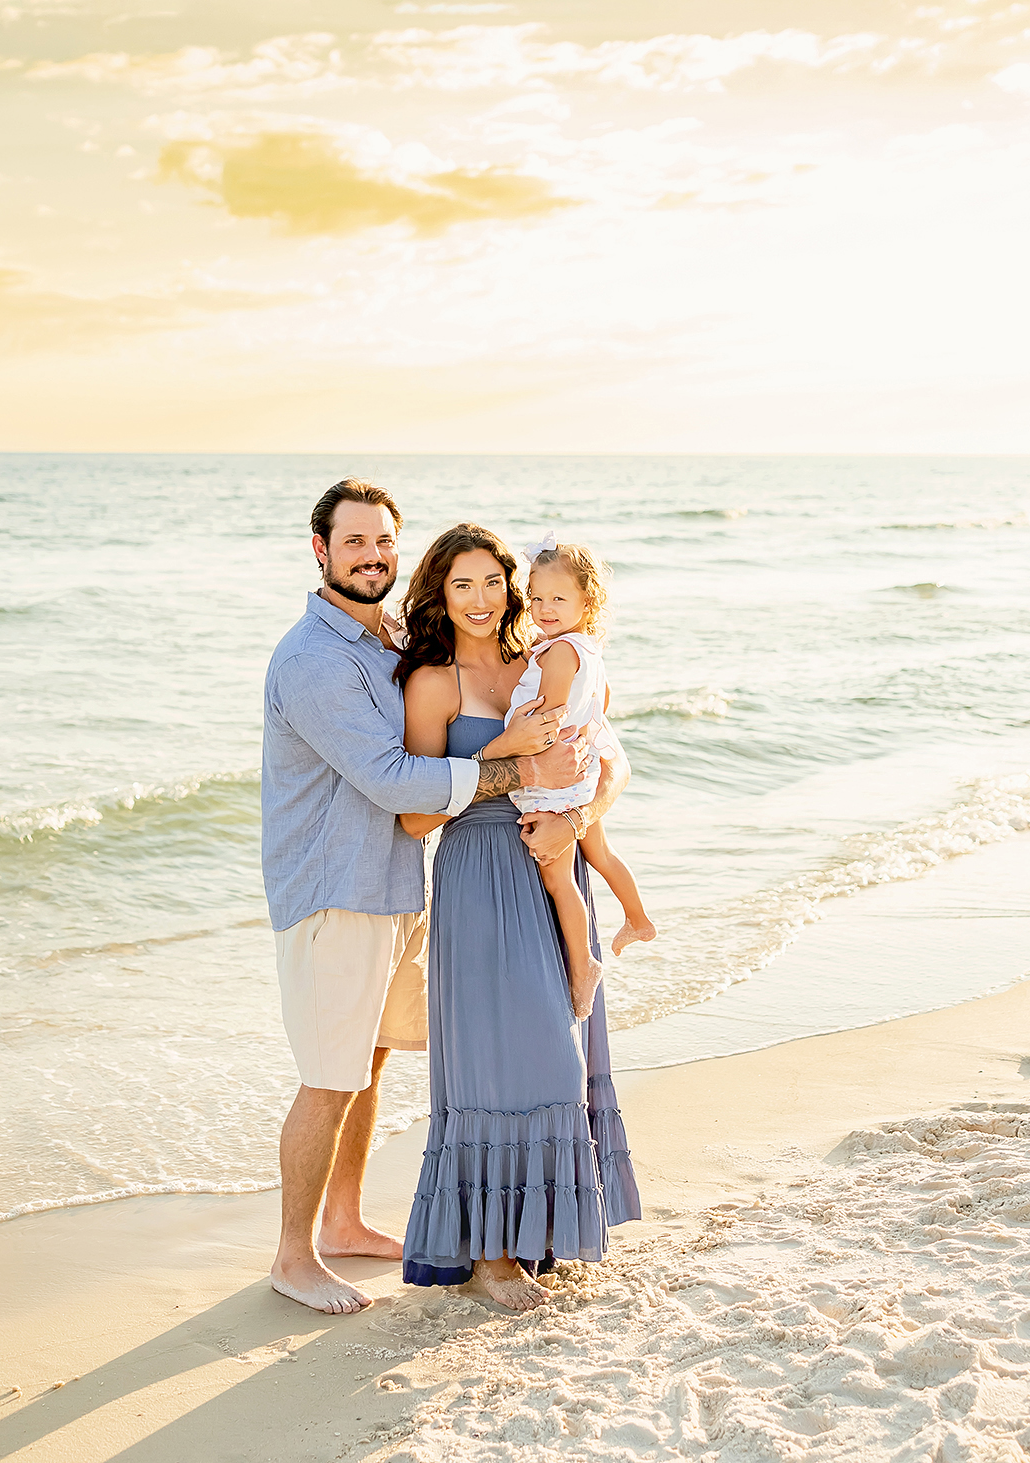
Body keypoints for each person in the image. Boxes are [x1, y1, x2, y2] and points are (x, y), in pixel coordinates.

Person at [260, 479, 587, 1316]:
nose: (371, 556)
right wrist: (516, 763)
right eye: (354, 542)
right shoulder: (314, 661)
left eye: (382, 543)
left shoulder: (385, 638)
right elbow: (394, 780)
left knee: (367, 1059)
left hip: (399, 886)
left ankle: (343, 1219)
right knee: (329, 1073)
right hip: (338, 892)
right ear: (321, 550)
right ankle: (293, 1256)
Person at [392, 522, 642, 1312]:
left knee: (562, 1056)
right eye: (460, 584)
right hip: (480, 873)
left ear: (512, 585)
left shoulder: (545, 657)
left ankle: (538, 1235)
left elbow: (613, 760)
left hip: (551, 853)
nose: (479, 599)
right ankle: (493, 1255)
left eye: (491, 582)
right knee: (509, 1060)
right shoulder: (432, 682)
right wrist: (515, 762)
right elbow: (414, 818)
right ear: (440, 590)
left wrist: (577, 818)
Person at [510, 535, 658, 1020]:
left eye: (557, 599)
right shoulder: (586, 650)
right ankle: (637, 920)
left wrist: (514, 738)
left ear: (585, 601)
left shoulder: (556, 654)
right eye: (534, 598)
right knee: (602, 855)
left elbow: (546, 717)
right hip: (582, 774)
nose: (543, 608)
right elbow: (601, 707)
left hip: (553, 779)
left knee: (558, 878)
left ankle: (583, 963)